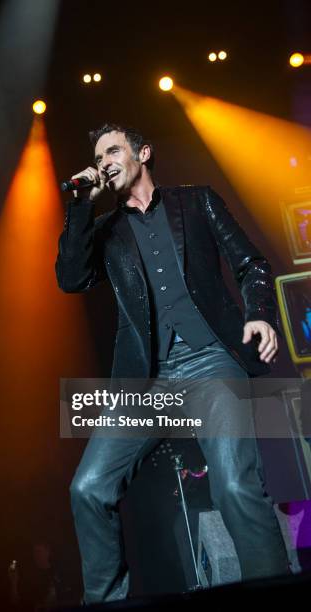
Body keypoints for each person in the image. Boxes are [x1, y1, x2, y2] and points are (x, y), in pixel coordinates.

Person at [55, 124, 291, 604]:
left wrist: (260, 316)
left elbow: (252, 265)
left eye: (113, 151)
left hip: (210, 363)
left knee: (233, 486)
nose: (103, 162)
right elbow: (71, 279)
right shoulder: (106, 231)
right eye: (97, 156)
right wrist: (80, 205)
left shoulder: (197, 201)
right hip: (147, 382)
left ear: (143, 152)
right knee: (88, 487)